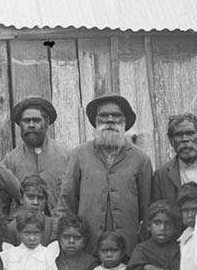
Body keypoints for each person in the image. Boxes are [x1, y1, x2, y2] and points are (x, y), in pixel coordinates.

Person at [60, 94, 154, 255]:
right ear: (96, 122)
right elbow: (67, 201)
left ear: (124, 122)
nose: (110, 120)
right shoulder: (80, 155)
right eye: (103, 116)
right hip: (88, 247)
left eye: (116, 116)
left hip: (128, 249)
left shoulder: (141, 159)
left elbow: (147, 208)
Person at [0, 96, 74, 211]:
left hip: (59, 225)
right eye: (26, 121)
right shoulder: (10, 161)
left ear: (47, 122)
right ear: (20, 125)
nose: (31, 125)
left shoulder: (67, 156)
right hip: (24, 227)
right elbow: (2, 204)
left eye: (36, 120)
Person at [152, 113, 197, 204]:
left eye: (190, 133)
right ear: (171, 141)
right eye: (179, 135)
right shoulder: (161, 176)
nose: (185, 139)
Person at [6, 175, 61, 245]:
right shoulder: (12, 228)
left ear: (45, 201)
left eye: (40, 198)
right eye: (31, 197)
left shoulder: (53, 226)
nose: (35, 202)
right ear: (21, 199)